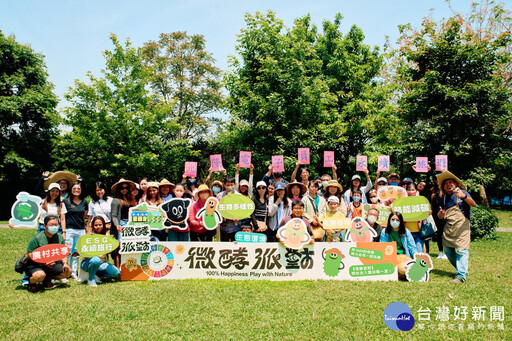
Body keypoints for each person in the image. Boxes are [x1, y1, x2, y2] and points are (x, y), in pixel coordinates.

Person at [436, 171, 476, 283]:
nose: (449, 185)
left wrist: (463, 197)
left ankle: (460, 276)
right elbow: (440, 215)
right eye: (446, 183)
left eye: (451, 182)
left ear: (455, 184)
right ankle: (461, 268)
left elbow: (473, 204)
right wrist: (440, 215)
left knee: (462, 250)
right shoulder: (443, 198)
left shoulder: (463, 193)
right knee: (448, 250)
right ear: (443, 186)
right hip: (449, 226)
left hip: (462, 226)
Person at [24, 215, 72, 292]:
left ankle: (47, 279)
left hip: (52, 264)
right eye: (51, 225)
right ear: (45, 226)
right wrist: (43, 263)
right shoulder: (37, 238)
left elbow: (63, 252)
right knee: (39, 275)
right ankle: (31, 283)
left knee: (68, 272)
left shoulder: (59, 237)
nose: (54, 227)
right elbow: (30, 254)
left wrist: (65, 263)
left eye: (56, 225)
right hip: (36, 264)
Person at [80, 216, 120, 286]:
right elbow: (84, 252)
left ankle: (97, 275)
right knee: (96, 260)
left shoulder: (106, 237)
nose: (98, 227)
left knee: (115, 273)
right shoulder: (88, 237)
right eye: (96, 225)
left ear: (103, 225)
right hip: (88, 263)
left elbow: (109, 252)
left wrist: (112, 244)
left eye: (100, 225)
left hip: (102, 263)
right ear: (92, 226)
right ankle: (91, 279)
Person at [379, 212, 418, 280]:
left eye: (397, 220)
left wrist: (417, 258)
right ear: (389, 220)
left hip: (403, 257)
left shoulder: (406, 232)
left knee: (403, 269)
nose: (395, 221)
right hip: (390, 257)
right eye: (393, 219)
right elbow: (382, 246)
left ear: (401, 221)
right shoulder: (384, 232)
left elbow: (412, 247)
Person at [63, 182, 89, 280]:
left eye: (78, 188)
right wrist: (64, 231)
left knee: (76, 252)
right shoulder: (66, 202)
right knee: (67, 251)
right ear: (71, 189)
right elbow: (63, 217)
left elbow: (84, 216)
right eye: (74, 188)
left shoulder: (84, 202)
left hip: (80, 230)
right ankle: (65, 272)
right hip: (69, 229)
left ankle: (73, 272)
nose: (76, 190)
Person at [111, 179, 137, 267]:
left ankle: (127, 267)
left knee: (128, 246)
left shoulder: (130, 199)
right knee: (119, 247)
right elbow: (114, 215)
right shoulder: (116, 200)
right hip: (121, 223)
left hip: (130, 223)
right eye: (122, 188)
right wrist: (117, 225)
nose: (124, 190)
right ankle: (118, 268)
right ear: (119, 189)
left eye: (126, 188)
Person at [217, 176, 242, 241]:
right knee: (224, 248)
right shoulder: (219, 196)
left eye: (231, 185)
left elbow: (243, 212)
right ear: (224, 185)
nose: (230, 187)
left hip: (235, 228)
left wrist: (239, 217)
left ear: (235, 184)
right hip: (223, 227)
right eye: (228, 185)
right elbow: (216, 210)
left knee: (235, 248)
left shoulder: (239, 196)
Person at [404, 182, 424, 253]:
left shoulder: (420, 201)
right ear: (406, 190)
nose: (411, 192)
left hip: (418, 232)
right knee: (409, 252)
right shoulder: (402, 202)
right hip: (406, 232)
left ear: (416, 190)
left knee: (419, 252)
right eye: (409, 190)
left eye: (413, 190)